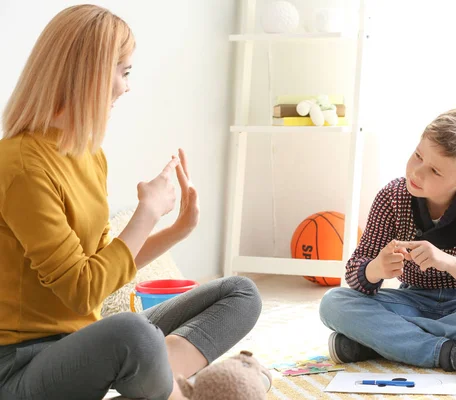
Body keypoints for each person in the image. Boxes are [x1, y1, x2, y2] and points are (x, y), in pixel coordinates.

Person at [0, 5, 262, 400]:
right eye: (123, 71)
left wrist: (176, 230)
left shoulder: (88, 154)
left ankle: (159, 380)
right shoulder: (19, 164)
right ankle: (174, 388)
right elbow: (83, 291)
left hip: (82, 341)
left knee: (240, 293)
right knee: (134, 334)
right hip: (21, 366)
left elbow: (105, 266)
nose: (127, 86)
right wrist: (146, 212)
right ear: (86, 74)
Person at [319, 109, 456, 381]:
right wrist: (377, 269)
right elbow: (356, 272)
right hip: (410, 299)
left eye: (435, 170)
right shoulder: (392, 197)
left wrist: (448, 262)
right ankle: (448, 353)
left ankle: (380, 341)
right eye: (418, 155)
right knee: (333, 303)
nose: (417, 171)